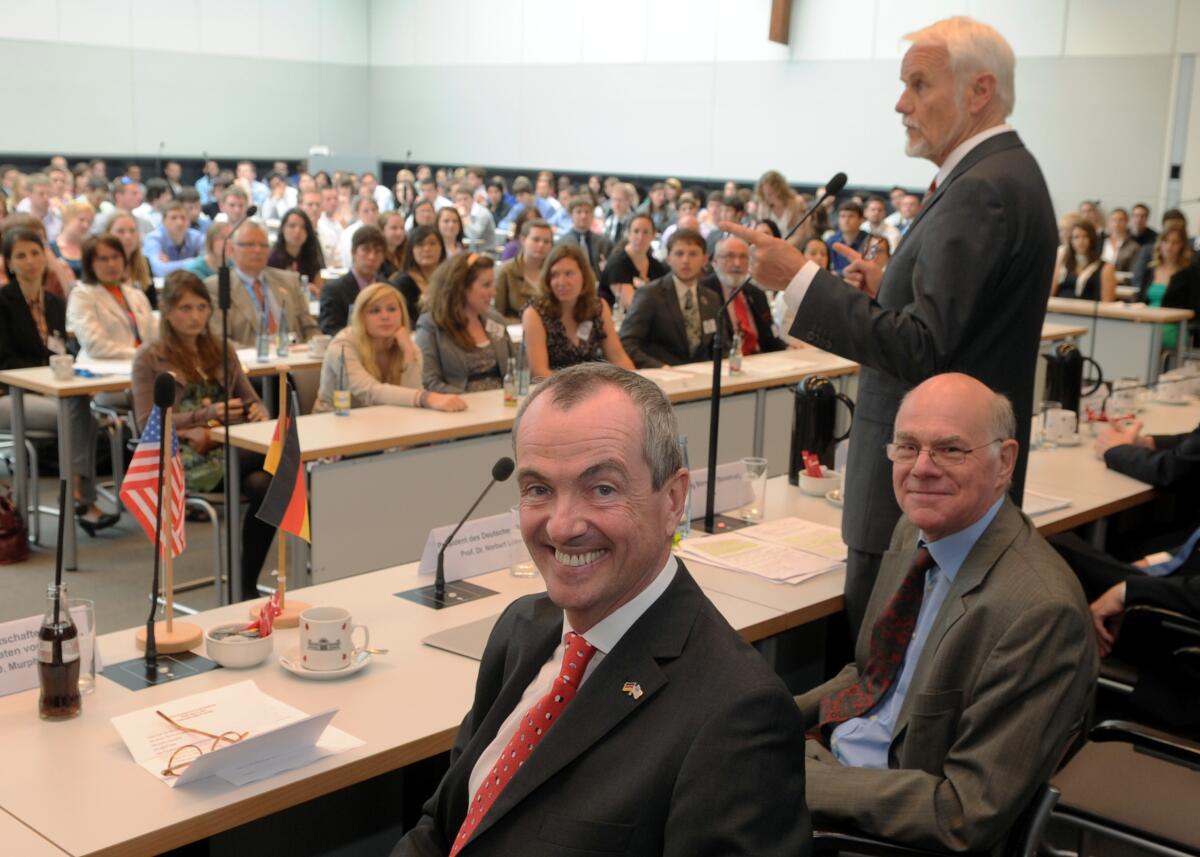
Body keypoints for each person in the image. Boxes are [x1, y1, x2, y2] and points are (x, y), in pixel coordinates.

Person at [721, 16, 1058, 636]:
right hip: (951, 486)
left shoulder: (981, 188)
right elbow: (960, 323)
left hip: (923, 499)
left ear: (979, 91)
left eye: (920, 85)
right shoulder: (1008, 174)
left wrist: (800, 280)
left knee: (881, 691)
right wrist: (889, 288)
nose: (901, 104)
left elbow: (924, 351)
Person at [392, 363, 810, 857]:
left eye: (602, 488)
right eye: (538, 489)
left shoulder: (737, 714)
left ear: (673, 499)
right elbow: (445, 821)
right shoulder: (522, 627)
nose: (562, 526)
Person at [798, 373, 1095, 852]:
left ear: (1006, 462)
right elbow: (872, 674)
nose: (921, 468)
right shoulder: (914, 529)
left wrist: (800, 780)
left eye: (951, 450)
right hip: (833, 761)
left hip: (877, 828)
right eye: (907, 446)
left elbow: (962, 813)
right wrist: (770, 721)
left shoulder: (1040, 614)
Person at [132, 271, 273, 601]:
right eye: (185, 308)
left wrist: (257, 412)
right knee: (277, 463)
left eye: (201, 307)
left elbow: (254, 400)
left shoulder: (221, 350)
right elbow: (145, 424)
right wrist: (206, 416)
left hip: (231, 448)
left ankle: (245, 582)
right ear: (167, 311)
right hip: (183, 455)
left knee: (264, 484)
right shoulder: (150, 358)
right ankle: (247, 583)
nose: (195, 316)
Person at [0, 227, 114, 534]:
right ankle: (81, 498)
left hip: (53, 389)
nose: (30, 261)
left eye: (35, 253)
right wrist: (50, 367)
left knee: (81, 413)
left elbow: (67, 347)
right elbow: (5, 359)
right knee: (76, 415)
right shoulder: (3, 302)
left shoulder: (54, 302)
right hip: (10, 394)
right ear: (9, 262)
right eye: (20, 255)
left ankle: (80, 497)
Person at [314, 282, 465, 413]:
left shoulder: (407, 345)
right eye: (375, 311)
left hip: (382, 422)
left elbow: (410, 398)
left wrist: (408, 354)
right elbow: (368, 391)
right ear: (361, 317)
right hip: (334, 423)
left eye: (392, 309)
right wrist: (426, 397)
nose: (385, 316)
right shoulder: (342, 345)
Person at [522, 244, 633, 380]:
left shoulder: (597, 307)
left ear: (584, 276)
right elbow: (539, 372)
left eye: (569, 274)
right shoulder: (535, 313)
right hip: (553, 391)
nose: (561, 282)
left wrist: (637, 387)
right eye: (555, 275)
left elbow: (618, 357)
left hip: (591, 388)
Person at [205, 221, 319, 347]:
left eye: (263, 245)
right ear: (232, 249)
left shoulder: (289, 281)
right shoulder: (217, 287)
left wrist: (313, 347)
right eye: (250, 244)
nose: (258, 250)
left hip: (295, 359)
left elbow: (311, 329)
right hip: (247, 363)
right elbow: (219, 341)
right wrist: (262, 351)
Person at [620, 229, 720, 368]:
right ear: (668, 259)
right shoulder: (650, 294)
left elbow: (722, 345)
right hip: (662, 376)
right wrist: (659, 367)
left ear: (704, 260)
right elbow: (626, 343)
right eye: (679, 254)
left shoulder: (711, 298)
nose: (686, 260)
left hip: (704, 376)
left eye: (693, 254)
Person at [414, 252, 513, 394]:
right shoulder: (431, 325)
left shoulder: (496, 320)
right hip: (458, 408)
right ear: (461, 287)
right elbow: (429, 382)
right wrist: (467, 401)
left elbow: (515, 368)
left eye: (493, 285)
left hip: (502, 404)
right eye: (486, 285)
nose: (493, 292)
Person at [67, 235, 157, 360]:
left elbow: (154, 335)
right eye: (103, 259)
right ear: (90, 265)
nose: (111, 264)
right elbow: (95, 346)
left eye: (116, 257)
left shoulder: (137, 295)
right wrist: (139, 354)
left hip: (141, 365)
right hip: (101, 370)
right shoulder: (82, 295)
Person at [703, 237, 787, 354]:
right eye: (730, 256)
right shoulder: (704, 292)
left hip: (760, 360)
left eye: (743, 257)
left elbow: (770, 337)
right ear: (715, 261)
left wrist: (787, 348)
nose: (737, 264)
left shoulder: (757, 294)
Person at [319, 225, 389, 336]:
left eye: (377, 251)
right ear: (353, 252)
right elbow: (330, 329)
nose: (372, 257)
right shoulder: (334, 290)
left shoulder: (388, 288)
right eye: (366, 250)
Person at [598, 212, 667, 310]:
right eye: (636, 231)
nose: (640, 237)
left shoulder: (656, 266)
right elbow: (632, 306)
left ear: (653, 235)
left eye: (646, 232)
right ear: (628, 234)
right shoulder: (617, 264)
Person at [492, 218, 552, 323]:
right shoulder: (505, 271)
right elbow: (497, 314)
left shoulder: (553, 272)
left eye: (546, 241)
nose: (541, 245)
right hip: (516, 331)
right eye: (536, 240)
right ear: (523, 240)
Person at [390, 224, 447, 328]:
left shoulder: (449, 279)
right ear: (411, 250)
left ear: (441, 248)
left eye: (432, 243)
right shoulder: (402, 283)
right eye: (420, 244)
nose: (426, 249)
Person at [1050, 220, 1117, 302]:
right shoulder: (1063, 263)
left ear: (1092, 239)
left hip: (1088, 313)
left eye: (1085, 236)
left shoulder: (1106, 267)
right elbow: (1050, 295)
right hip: (1059, 312)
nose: (1081, 241)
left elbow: (1107, 304)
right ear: (1070, 241)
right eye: (1076, 237)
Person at [105, 211, 156, 308]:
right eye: (120, 231)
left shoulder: (144, 263)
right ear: (108, 234)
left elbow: (152, 304)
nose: (128, 236)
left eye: (132, 231)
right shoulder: (100, 266)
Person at [268, 208, 325, 293]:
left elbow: (319, 290)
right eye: (292, 226)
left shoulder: (311, 257)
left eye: (303, 227)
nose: (297, 231)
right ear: (283, 229)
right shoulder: (272, 259)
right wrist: (301, 289)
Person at [555, 195, 611, 281]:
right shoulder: (561, 244)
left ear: (592, 215)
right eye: (579, 212)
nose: (583, 216)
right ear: (571, 215)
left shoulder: (604, 243)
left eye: (587, 212)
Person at [143, 201, 205, 277]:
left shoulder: (197, 237)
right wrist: (193, 262)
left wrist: (169, 265)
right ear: (163, 221)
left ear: (189, 221)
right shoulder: (153, 238)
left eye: (183, 218)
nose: (179, 222)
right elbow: (158, 270)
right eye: (173, 218)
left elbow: (208, 264)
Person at [756, 170, 808, 246]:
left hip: (793, 248)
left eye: (770, 194)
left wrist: (781, 247)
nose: (767, 197)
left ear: (780, 189)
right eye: (765, 194)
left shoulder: (797, 203)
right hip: (769, 249)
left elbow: (801, 234)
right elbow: (760, 232)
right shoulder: (763, 205)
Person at [50, 199, 94, 278]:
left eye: (89, 222)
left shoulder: (90, 249)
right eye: (81, 220)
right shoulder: (51, 248)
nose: (85, 225)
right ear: (68, 218)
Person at [827, 201, 870, 275]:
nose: (846, 220)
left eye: (851, 216)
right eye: (843, 216)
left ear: (861, 220)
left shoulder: (869, 241)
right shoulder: (831, 241)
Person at [452, 183, 496, 251]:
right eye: (459, 200)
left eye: (465, 199)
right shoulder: (456, 211)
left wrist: (464, 216)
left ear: (473, 199)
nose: (462, 203)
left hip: (485, 252)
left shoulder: (482, 213)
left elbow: (474, 235)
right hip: (466, 251)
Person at [1100, 207, 1140, 273]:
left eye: (1121, 220)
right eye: (1114, 220)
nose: (1117, 223)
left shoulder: (1134, 246)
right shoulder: (1101, 242)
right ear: (1109, 222)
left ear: (1127, 222)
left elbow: (1134, 272)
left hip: (1122, 281)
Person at [316, 186, 344, 268]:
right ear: (320, 202)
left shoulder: (342, 221)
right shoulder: (319, 224)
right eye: (328, 199)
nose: (333, 202)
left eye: (335, 198)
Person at [377, 210, 407, 280]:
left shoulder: (406, 252)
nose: (400, 232)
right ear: (382, 230)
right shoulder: (377, 257)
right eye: (394, 228)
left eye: (402, 228)